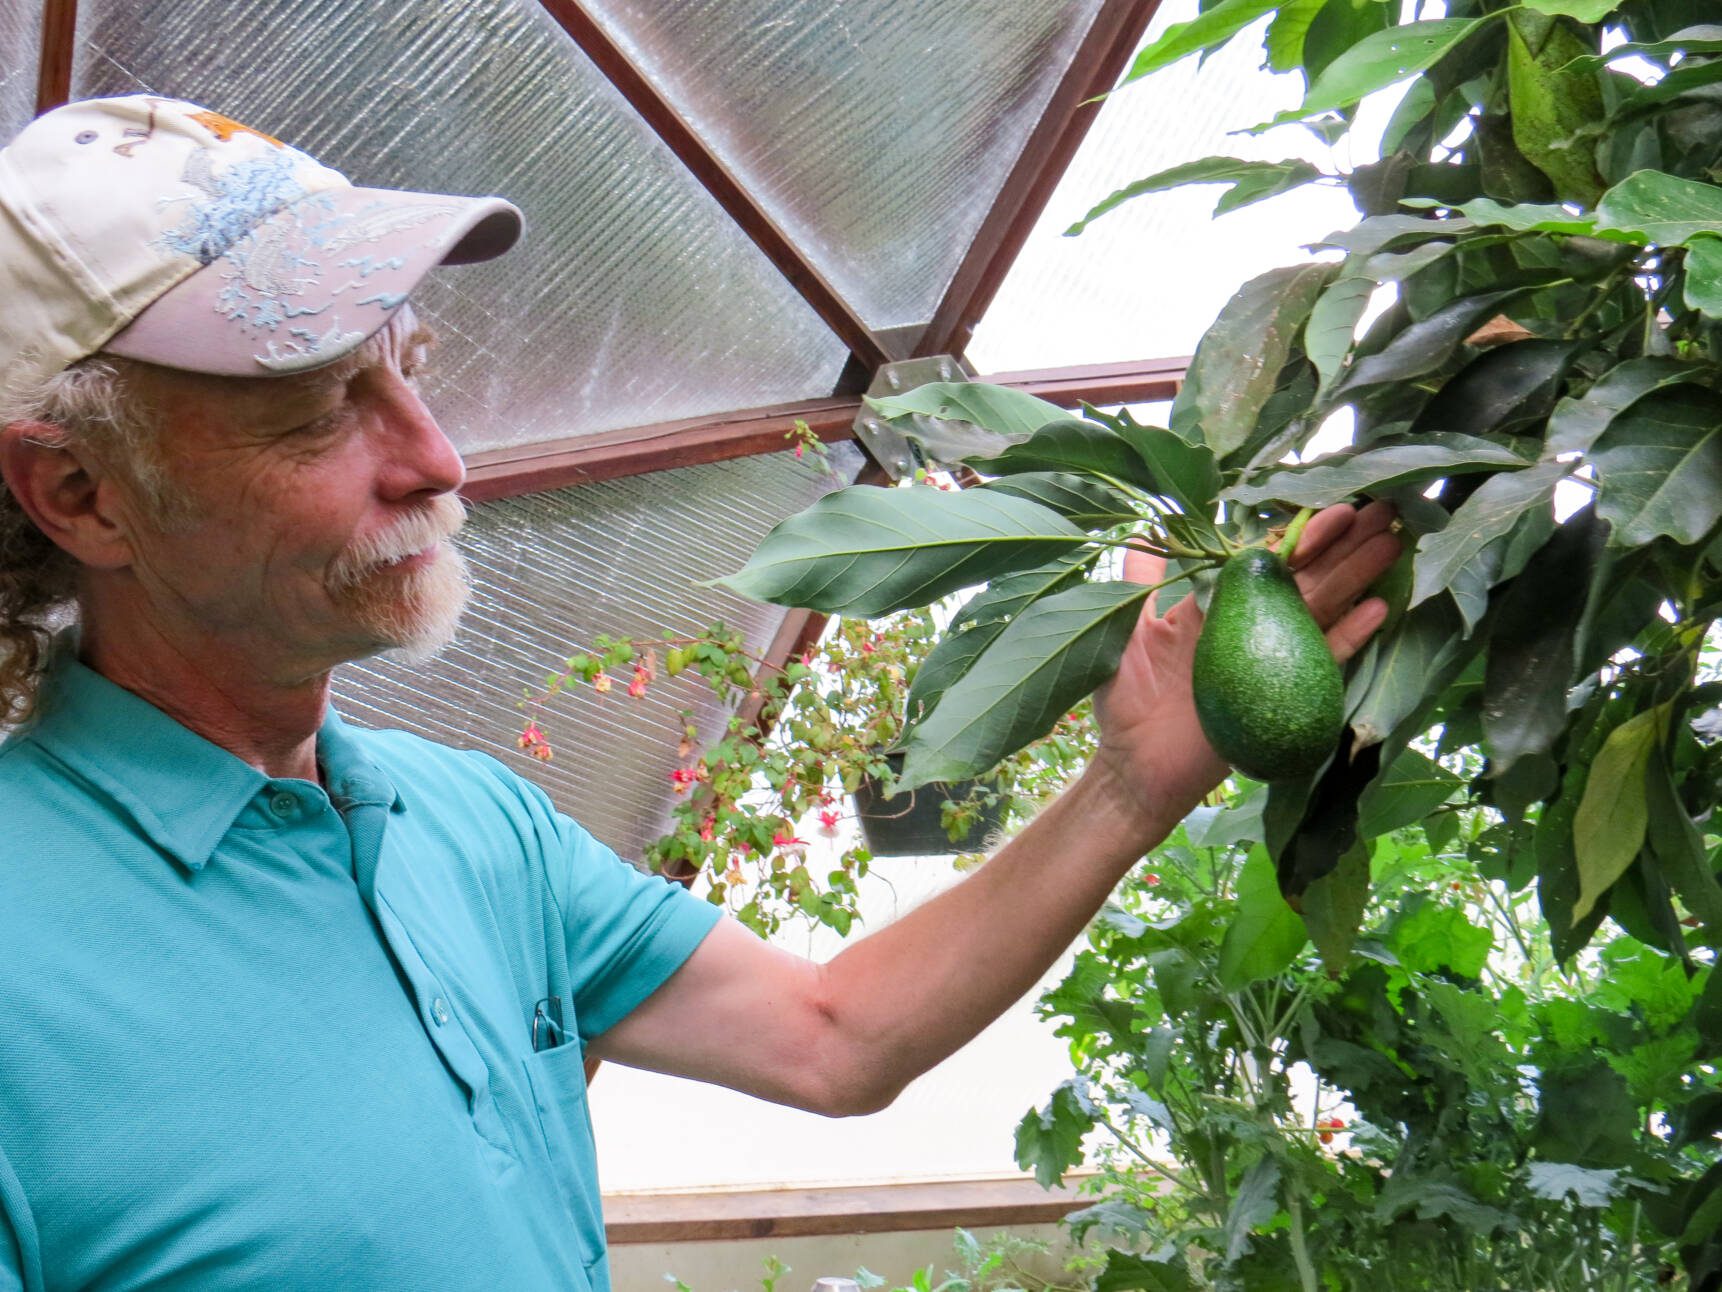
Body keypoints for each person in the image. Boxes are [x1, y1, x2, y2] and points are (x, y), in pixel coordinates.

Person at [0, 96, 1401, 1291]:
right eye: (313, 410)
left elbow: (829, 1038)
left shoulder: (467, 823)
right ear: (80, 492)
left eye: (408, 370)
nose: (438, 459)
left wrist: (1127, 783)